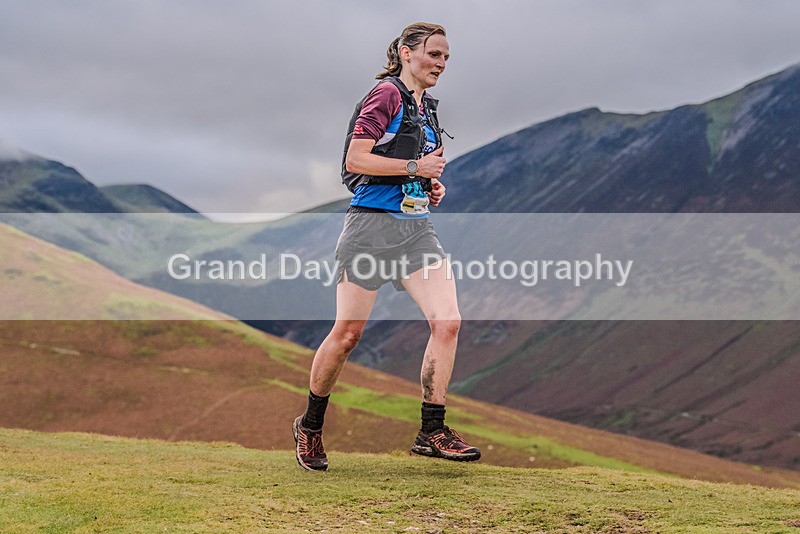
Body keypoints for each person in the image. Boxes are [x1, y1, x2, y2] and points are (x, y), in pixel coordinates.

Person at [293, 22, 480, 471]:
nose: (441, 63)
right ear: (405, 52)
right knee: (348, 335)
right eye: (434, 54)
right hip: (370, 228)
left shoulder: (427, 106)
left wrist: (429, 185)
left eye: (447, 57)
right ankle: (310, 426)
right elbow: (356, 159)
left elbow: (409, 168)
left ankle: (431, 430)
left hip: (416, 229)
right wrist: (415, 165)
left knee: (448, 322)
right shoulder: (387, 95)